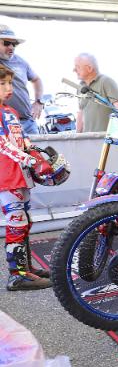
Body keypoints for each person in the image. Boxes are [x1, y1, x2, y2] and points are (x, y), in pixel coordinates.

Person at [0, 65, 50, 291]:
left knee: (25, 221)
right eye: (2, 84)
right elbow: (3, 144)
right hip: (7, 176)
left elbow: (21, 137)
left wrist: (33, 151)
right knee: (16, 221)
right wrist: (28, 159)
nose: (8, 88)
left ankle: (26, 268)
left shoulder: (10, 111)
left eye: (10, 83)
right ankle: (17, 275)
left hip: (21, 174)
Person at [0, 23, 44, 135]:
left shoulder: (21, 62)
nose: (11, 47)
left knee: (36, 147)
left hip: (27, 122)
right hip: (4, 123)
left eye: (14, 44)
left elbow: (37, 80)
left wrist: (38, 101)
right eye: (6, 43)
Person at [74, 53, 118, 133]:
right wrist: (77, 136)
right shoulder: (80, 87)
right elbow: (81, 112)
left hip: (104, 137)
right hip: (87, 137)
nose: (74, 70)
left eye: (77, 67)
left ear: (89, 68)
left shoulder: (106, 81)